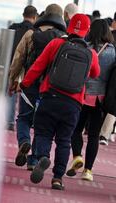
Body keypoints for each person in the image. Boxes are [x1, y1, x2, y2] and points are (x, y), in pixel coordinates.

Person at [20, 14, 100, 190]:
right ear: (86, 31)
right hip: (73, 104)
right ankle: (57, 178)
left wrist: (24, 83)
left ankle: (42, 157)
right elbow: (95, 73)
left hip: (50, 96)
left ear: (69, 27)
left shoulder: (56, 44)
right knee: (64, 140)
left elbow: (38, 66)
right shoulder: (91, 53)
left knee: (43, 133)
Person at [8, 4, 66, 171]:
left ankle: (24, 141)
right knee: (42, 124)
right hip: (51, 88)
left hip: (30, 84)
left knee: (24, 117)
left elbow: (18, 59)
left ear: (45, 15)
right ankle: (33, 161)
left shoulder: (31, 33)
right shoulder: (64, 38)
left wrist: (13, 80)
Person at [67, 19, 116, 182]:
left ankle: (77, 156)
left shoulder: (84, 47)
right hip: (101, 99)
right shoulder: (112, 52)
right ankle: (88, 170)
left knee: (76, 130)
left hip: (81, 95)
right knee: (94, 136)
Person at [6, 5, 38, 131]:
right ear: (35, 17)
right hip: (28, 67)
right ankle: (24, 119)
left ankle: (9, 120)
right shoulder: (35, 32)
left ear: (23, 15)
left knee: (11, 92)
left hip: (12, 63)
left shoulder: (13, 28)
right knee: (25, 94)